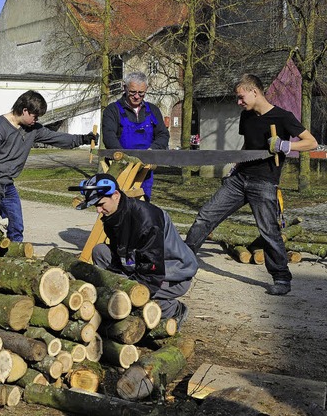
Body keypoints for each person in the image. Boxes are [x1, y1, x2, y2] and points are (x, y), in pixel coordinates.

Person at [185, 74, 318, 296]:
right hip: (239, 180)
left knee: (269, 231)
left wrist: (285, 145)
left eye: (241, 97)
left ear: (254, 92)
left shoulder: (283, 117)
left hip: (265, 182)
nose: (239, 102)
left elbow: (311, 142)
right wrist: (235, 168)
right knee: (206, 215)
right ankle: (184, 262)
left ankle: (282, 278)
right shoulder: (246, 116)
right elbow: (247, 145)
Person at [72, 173, 197, 328]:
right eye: (95, 206)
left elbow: (152, 271)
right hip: (139, 264)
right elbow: (122, 251)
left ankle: (174, 309)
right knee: (100, 251)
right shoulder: (112, 216)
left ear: (116, 195)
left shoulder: (147, 220)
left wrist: (129, 293)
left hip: (172, 273)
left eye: (101, 204)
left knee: (139, 300)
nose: (98, 210)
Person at [0, 90, 98, 242]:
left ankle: (16, 259)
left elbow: (56, 138)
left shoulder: (32, 129)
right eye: (35, 116)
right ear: (25, 110)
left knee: (16, 228)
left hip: (7, 183)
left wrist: (82, 139)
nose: (36, 120)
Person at [101, 72, 170, 200]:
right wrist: (123, 158)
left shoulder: (153, 110)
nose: (137, 96)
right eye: (133, 92)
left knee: (143, 208)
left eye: (141, 93)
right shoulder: (112, 110)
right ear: (125, 88)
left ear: (146, 90)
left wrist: (152, 151)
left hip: (145, 171)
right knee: (119, 206)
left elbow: (163, 135)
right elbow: (109, 136)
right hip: (121, 169)